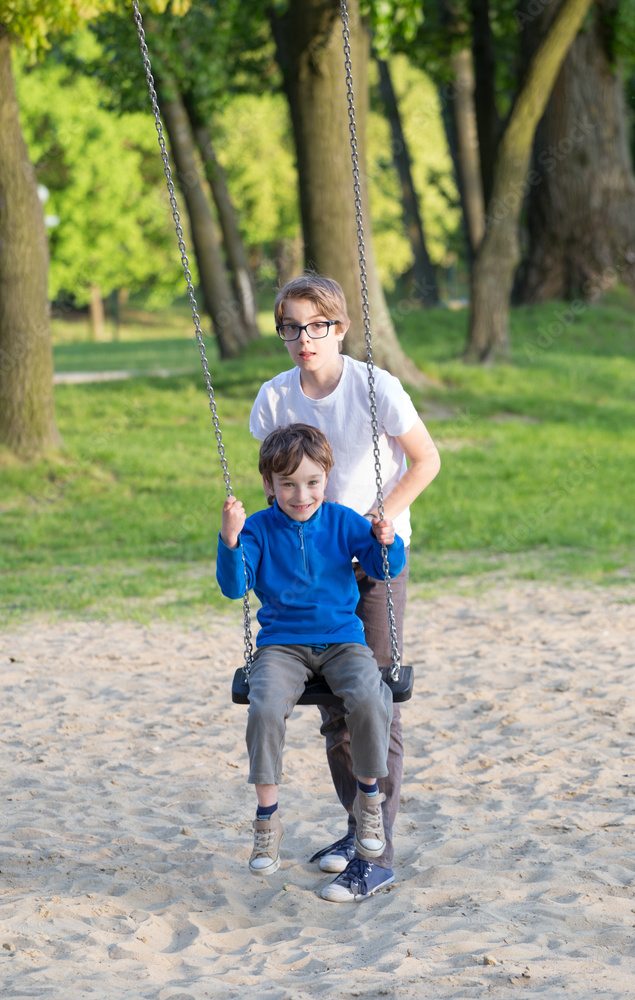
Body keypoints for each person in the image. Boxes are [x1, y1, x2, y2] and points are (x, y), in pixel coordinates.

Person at [249, 274, 441, 902]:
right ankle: (359, 830)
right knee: (333, 711)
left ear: (339, 328)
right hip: (316, 567)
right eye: (292, 327)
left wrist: (380, 517)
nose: (304, 339)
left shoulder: (373, 387)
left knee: (373, 700)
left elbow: (426, 459)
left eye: (317, 326)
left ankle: (375, 855)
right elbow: (278, 486)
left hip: (374, 555)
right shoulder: (275, 400)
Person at [216, 423, 406, 898]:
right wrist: (231, 541)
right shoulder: (258, 528)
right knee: (263, 706)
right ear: (269, 486)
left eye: (312, 483)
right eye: (288, 485)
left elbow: (387, 569)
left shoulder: (343, 521)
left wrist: (387, 539)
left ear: (326, 478)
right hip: (282, 645)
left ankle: (367, 803)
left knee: (369, 697)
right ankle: (267, 820)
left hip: (343, 640)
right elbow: (234, 587)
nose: (301, 495)